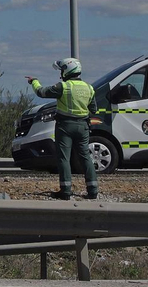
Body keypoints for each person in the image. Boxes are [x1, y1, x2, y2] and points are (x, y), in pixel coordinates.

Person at [27, 57, 98, 200]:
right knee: (85, 157)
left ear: (67, 71)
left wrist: (34, 81)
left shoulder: (63, 87)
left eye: (61, 71)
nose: (60, 74)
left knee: (64, 158)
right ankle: (93, 190)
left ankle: (65, 191)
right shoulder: (89, 88)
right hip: (83, 126)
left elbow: (41, 92)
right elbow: (94, 109)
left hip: (65, 126)